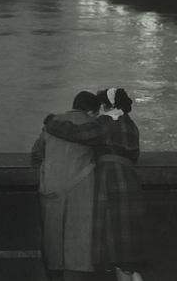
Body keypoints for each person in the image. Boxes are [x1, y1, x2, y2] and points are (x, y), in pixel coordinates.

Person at [43, 88, 146, 281]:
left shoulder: (107, 122)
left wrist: (51, 121)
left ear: (107, 106)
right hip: (130, 181)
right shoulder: (131, 125)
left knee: (117, 254)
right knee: (129, 253)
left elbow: (76, 133)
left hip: (111, 183)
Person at [31, 91, 101, 281]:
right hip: (81, 190)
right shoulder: (94, 126)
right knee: (78, 246)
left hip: (51, 189)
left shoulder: (53, 124)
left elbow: (37, 153)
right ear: (92, 111)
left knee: (53, 244)